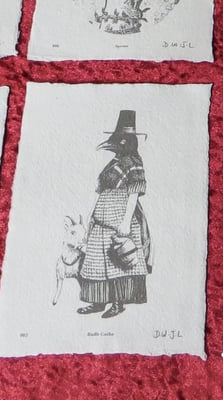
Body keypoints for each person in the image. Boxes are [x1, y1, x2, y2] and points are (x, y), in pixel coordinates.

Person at [78, 110, 151, 318]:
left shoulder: (134, 162)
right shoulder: (114, 162)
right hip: (101, 220)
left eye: (121, 140)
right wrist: (91, 215)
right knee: (96, 260)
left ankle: (118, 303)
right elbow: (100, 190)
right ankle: (97, 301)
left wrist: (126, 222)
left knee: (118, 262)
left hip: (120, 219)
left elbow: (134, 193)